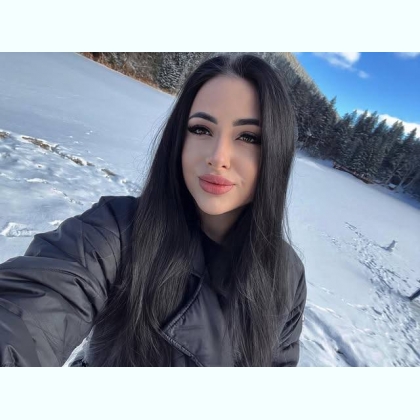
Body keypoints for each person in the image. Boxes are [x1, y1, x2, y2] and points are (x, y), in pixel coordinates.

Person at [0, 53, 306, 367]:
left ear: (276, 152)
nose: (218, 157)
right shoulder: (117, 231)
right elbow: (29, 312)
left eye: (248, 137)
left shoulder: (287, 275)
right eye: (201, 129)